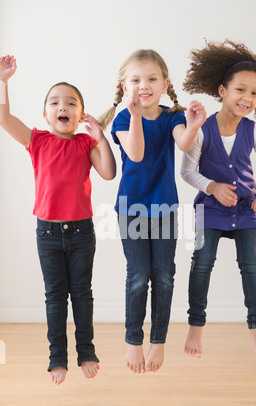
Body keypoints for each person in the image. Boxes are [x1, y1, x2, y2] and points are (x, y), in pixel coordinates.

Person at [0, 55, 116, 384]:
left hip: (81, 232)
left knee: (81, 293)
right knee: (55, 296)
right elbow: (3, 117)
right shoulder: (37, 140)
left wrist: (101, 137)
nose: (62, 106)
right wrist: (3, 81)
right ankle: (57, 356)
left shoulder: (85, 143)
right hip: (47, 233)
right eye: (55, 102)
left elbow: (108, 173)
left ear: (80, 115)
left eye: (70, 103)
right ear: (45, 114)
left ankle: (87, 351)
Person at [98, 49, 206, 374]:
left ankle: (158, 340)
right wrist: (133, 115)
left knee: (163, 275)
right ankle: (134, 339)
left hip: (164, 209)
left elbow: (184, 143)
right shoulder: (120, 119)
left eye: (151, 79)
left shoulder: (173, 115)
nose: (144, 85)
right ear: (124, 85)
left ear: (164, 84)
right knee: (138, 275)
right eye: (136, 80)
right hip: (130, 209)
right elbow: (136, 151)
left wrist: (195, 125)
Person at [181, 40, 256, 359]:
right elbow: (186, 171)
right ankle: (195, 325)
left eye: (255, 93)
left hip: (245, 210)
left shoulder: (255, 131)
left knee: (251, 265)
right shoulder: (201, 129)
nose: (248, 98)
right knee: (202, 263)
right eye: (241, 90)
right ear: (222, 90)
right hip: (209, 211)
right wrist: (211, 187)